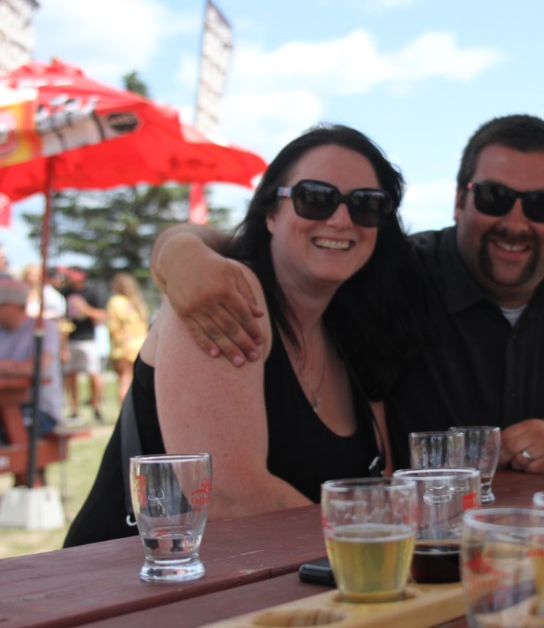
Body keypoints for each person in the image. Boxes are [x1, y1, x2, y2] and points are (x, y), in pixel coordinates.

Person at [149, 114, 544, 474]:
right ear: (460, 200)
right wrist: (180, 251)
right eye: (496, 197)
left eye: (542, 206)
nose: (515, 222)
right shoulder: (398, 272)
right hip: (428, 555)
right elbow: (303, 244)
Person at [63, 124, 422, 547]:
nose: (341, 219)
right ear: (270, 212)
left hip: (279, 597)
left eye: (366, 204)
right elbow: (228, 496)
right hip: (131, 595)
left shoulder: (356, 333)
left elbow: (379, 485)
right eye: (315, 198)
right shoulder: (225, 295)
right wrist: (382, 538)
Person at [0, 279, 64, 440]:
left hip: (38, 409)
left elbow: (37, 367)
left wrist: (7, 367)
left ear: (13, 305)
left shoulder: (44, 328)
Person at [61, 268, 107, 423]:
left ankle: (96, 406)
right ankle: (74, 409)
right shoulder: (64, 293)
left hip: (88, 339)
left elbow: (102, 315)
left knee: (94, 374)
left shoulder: (91, 292)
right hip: (70, 339)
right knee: (70, 375)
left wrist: (85, 309)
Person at [105, 273, 149, 402]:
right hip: (140, 346)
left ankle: (126, 416)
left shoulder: (116, 301)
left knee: (124, 381)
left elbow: (113, 327)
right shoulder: (136, 303)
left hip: (124, 347)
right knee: (134, 382)